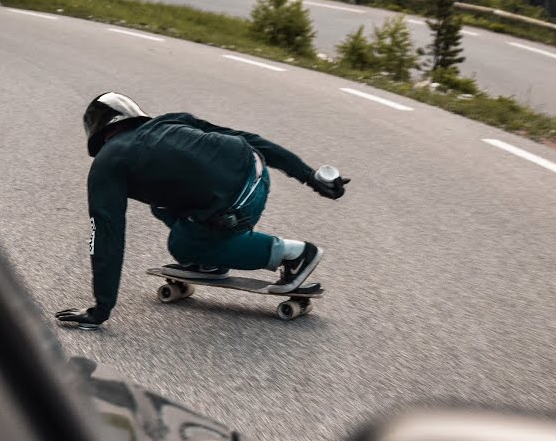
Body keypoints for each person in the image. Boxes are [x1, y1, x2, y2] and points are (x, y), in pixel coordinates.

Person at [55, 92, 349, 330]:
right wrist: (310, 176)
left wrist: (101, 308)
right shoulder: (172, 121)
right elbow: (250, 139)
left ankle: (294, 254)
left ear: (97, 133)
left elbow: (105, 234)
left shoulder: (107, 163)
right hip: (257, 172)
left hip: (237, 204)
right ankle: (210, 261)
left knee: (181, 245)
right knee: (161, 202)